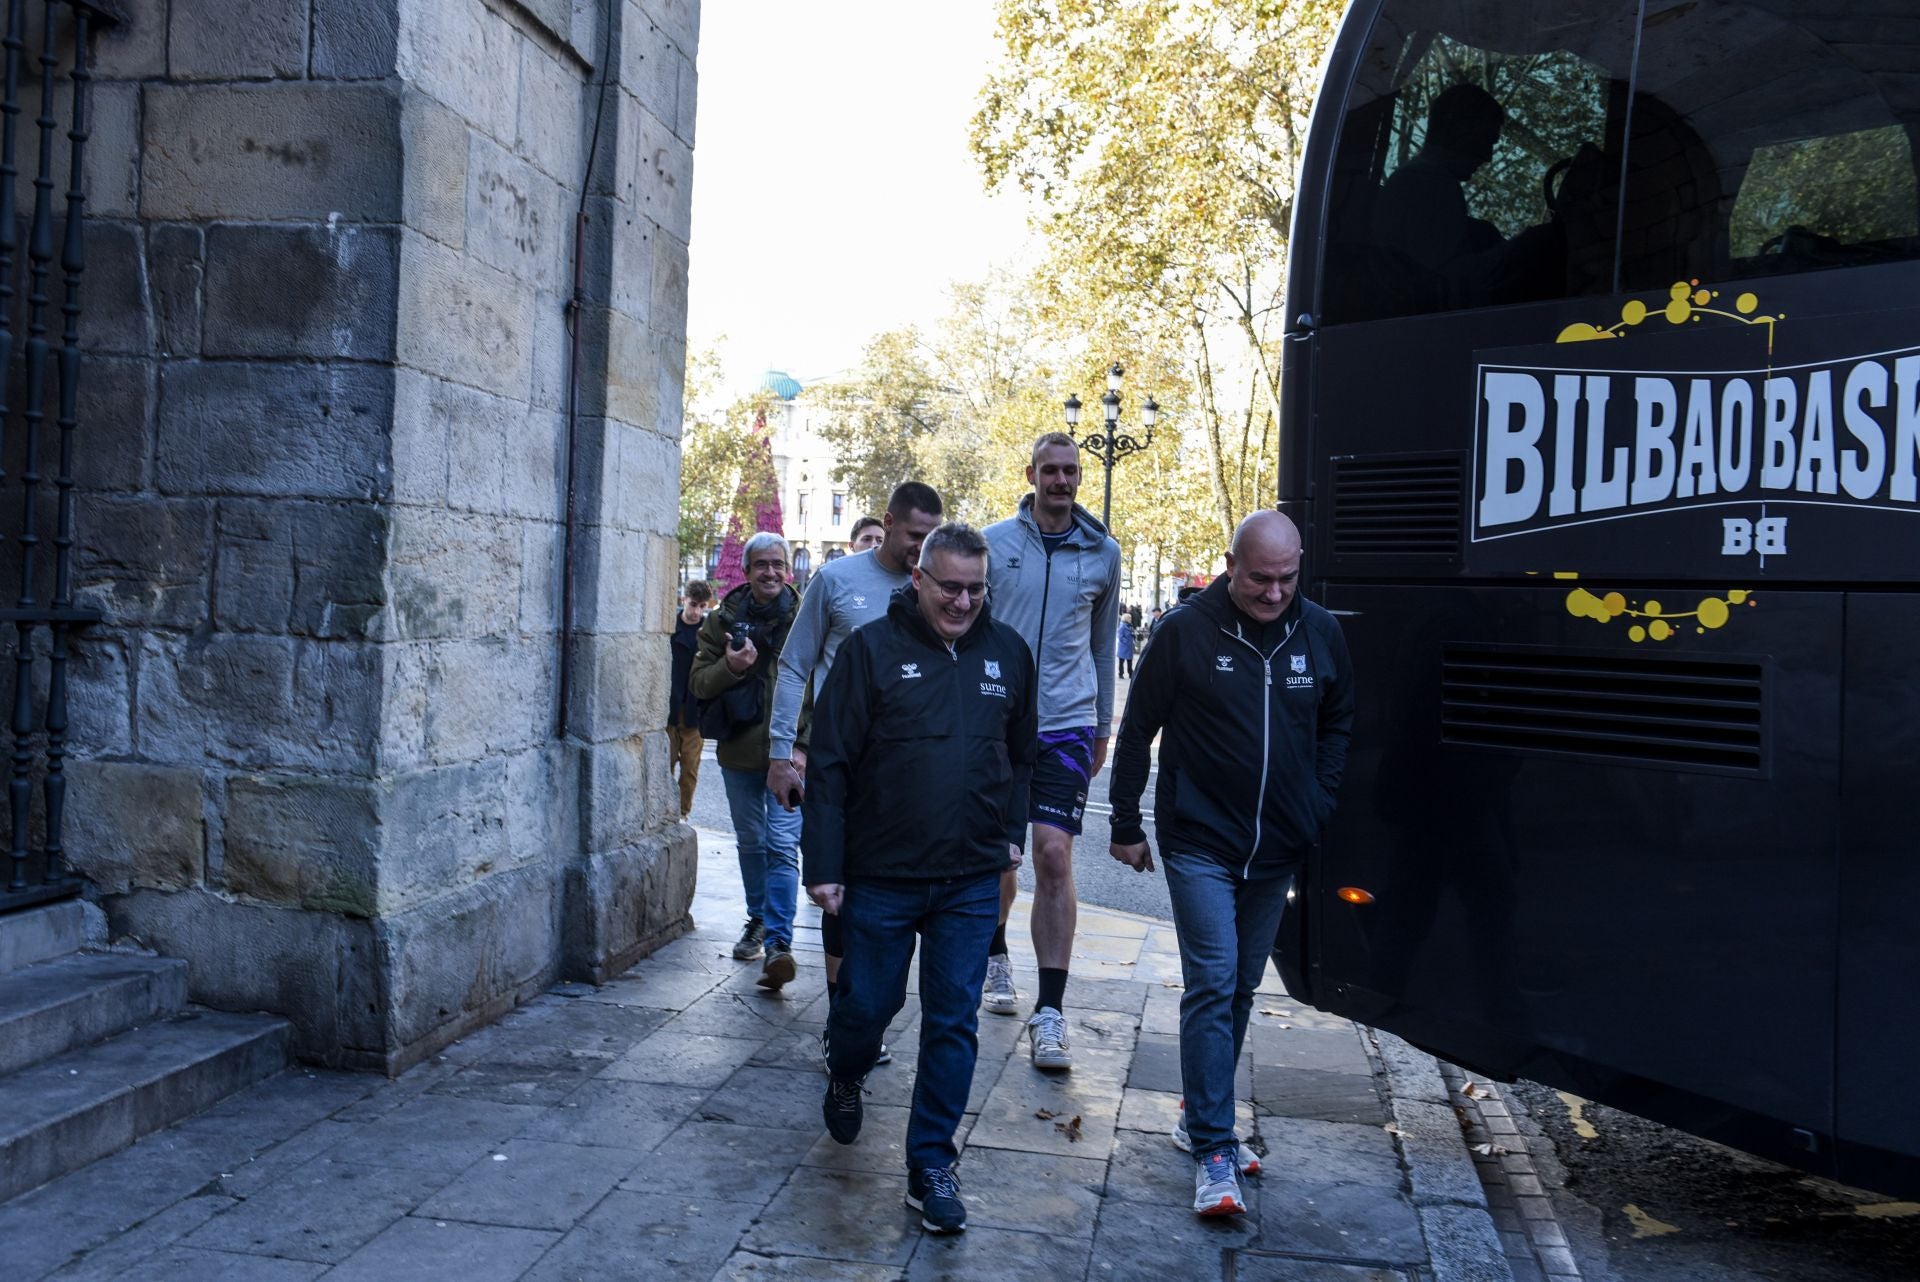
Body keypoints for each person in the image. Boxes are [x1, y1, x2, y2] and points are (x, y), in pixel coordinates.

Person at [1107, 511, 1355, 1217]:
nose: (1275, 593)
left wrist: (1318, 800)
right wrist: (1124, 822)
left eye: (1287, 577)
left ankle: (1198, 1115)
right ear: (1230, 563)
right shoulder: (1188, 630)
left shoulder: (1321, 632)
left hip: (1277, 845)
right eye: (1259, 578)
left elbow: (1338, 719)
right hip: (1200, 840)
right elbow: (1137, 733)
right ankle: (1214, 1145)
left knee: (1243, 986)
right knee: (1213, 982)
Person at [803, 523, 1035, 1234]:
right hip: (881, 875)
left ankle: (930, 1164)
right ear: (918, 581)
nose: (964, 602)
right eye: (951, 588)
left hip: (969, 877)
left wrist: (1011, 833)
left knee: (953, 1021)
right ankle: (847, 1069)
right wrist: (826, 867)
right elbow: (832, 763)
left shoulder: (1007, 653)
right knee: (866, 1007)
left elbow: (1022, 754)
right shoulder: (871, 652)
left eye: (976, 589)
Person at [768, 482, 944, 1058]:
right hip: (837, 762)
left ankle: (867, 1012)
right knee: (838, 891)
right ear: (889, 523)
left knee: (892, 899)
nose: (923, 549)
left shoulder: (935, 588)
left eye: (931, 538)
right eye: (915, 537)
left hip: (908, 774)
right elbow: (794, 666)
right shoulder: (838, 581)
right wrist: (779, 751)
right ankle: (843, 1023)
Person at [982, 432, 1122, 1070]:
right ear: (1031, 474)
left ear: (1079, 478)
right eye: (1051, 471)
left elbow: (1101, 644)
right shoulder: (994, 543)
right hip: (998, 719)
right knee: (1000, 855)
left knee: (1054, 856)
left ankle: (1052, 1012)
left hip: (1066, 722)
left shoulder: (1103, 553)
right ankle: (994, 955)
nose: (1061, 481)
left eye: (1071, 471)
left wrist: (1102, 726)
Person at [689, 532, 807, 987]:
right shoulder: (722, 622)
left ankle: (779, 941)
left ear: (788, 569)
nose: (771, 572)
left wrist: (805, 745)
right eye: (762, 565)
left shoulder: (805, 617)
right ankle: (758, 918)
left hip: (790, 755)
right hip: (739, 751)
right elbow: (699, 683)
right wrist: (732, 667)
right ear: (748, 570)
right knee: (751, 840)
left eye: (778, 564)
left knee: (781, 844)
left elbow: (822, 684)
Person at [666, 580, 713, 817]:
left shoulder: (708, 632)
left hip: (696, 711)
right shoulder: (669, 627)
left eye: (702, 606)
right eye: (693, 604)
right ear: (684, 600)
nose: (696, 611)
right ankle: (661, 811)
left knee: (690, 768)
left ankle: (682, 814)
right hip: (670, 708)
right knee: (665, 765)